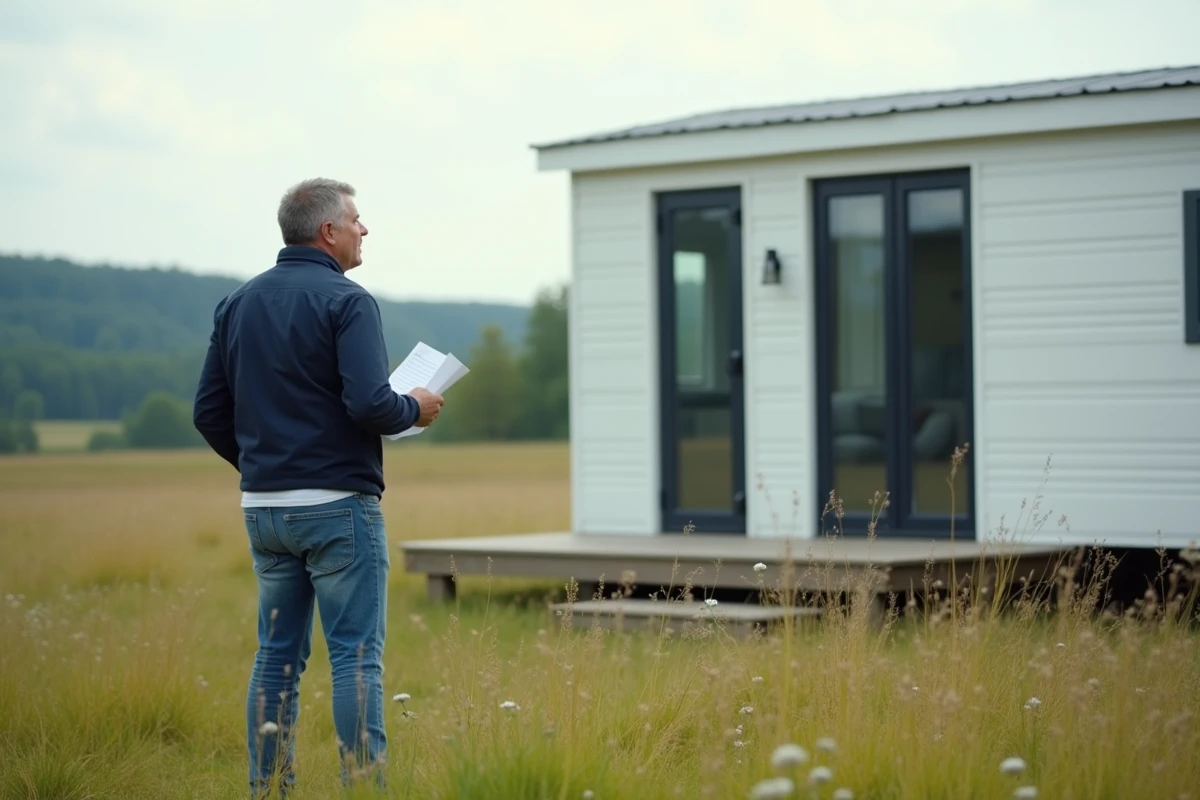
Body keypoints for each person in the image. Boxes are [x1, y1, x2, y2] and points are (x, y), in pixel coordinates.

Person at [193, 178, 443, 797]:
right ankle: (364, 789)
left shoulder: (237, 303)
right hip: (337, 511)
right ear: (327, 231)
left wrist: (264, 468)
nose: (365, 230)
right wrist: (415, 406)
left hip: (265, 511)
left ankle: (268, 790)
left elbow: (207, 413)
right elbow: (370, 404)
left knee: (275, 658)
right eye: (357, 220)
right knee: (356, 659)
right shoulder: (349, 300)